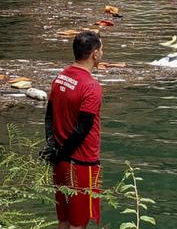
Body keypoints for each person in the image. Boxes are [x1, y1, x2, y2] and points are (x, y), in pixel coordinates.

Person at [46, 30, 104, 229]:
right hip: (81, 162)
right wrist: (62, 153)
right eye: (101, 48)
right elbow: (82, 129)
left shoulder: (60, 78)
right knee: (79, 224)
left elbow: (49, 116)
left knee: (64, 220)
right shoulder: (91, 86)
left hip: (60, 160)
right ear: (95, 53)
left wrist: (54, 149)